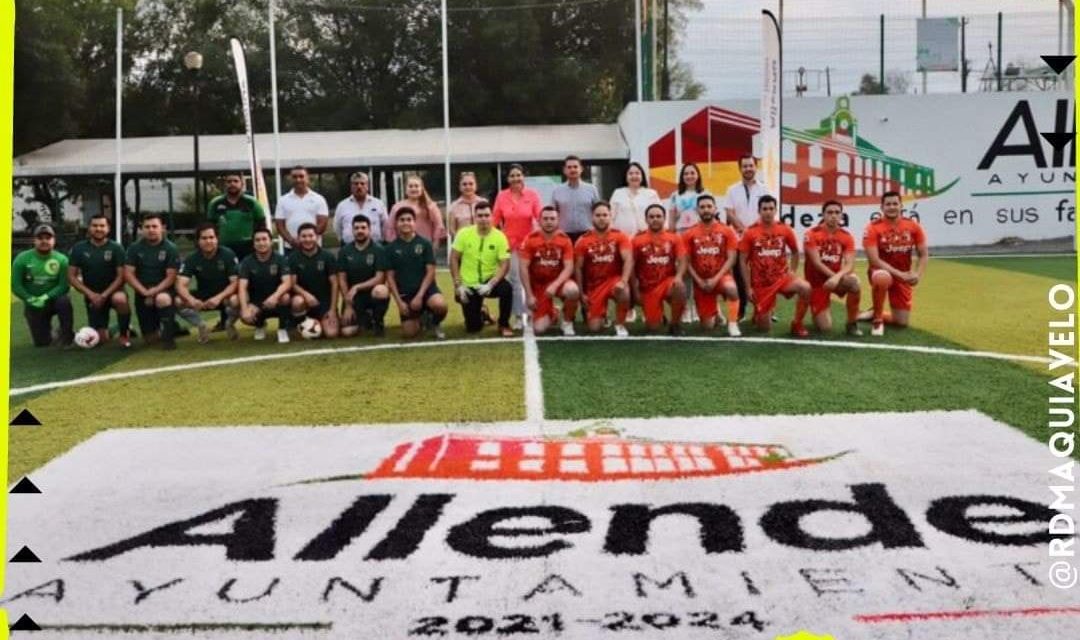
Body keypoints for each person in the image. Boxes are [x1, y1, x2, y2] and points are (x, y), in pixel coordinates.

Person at [737, 195, 810, 335]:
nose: (768, 211)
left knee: (805, 288)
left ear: (776, 210)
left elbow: (795, 252)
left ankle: (797, 324)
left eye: (771, 208)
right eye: (764, 209)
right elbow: (742, 261)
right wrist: (748, 288)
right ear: (759, 211)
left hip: (782, 278)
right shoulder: (750, 232)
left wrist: (792, 271)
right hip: (761, 283)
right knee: (764, 329)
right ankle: (759, 312)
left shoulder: (785, 229)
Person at [860, 191, 928, 336]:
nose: (892, 207)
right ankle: (877, 320)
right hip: (880, 272)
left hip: (903, 276)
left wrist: (917, 275)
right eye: (888, 204)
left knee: (901, 322)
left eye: (895, 204)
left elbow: (923, 254)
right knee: (882, 277)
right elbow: (874, 260)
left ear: (901, 206)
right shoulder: (872, 228)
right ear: (882, 207)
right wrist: (900, 275)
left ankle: (874, 312)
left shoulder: (913, 226)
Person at [451, 200, 514, 336]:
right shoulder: (464, 234)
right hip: (469, 284)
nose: (483, 219)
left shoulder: (500, 237)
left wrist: (491, 284)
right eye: (480, 216)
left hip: (489, 282)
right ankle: (482, 313)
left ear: (491, 216)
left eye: (486, 215)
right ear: (475, 217)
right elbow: (454, 258)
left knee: (506, 289)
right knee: (473, 328)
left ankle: (504, 324)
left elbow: (505, 264)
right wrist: (458, 285)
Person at [67, 213, 131, 346]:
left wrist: (104, 295)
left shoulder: (116, 248)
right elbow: (71, 276)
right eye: (95, 225)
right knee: (101, 340)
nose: (98, 229)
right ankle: (117, 328)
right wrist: (91, 295)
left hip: (113, 292)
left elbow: (121, 276)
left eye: (102, 226)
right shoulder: (79, 248)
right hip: (93, 296)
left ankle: (124, 334)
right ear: (89, 228)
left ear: (108, 228)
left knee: (120, 299)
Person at [682, 194, 741, 336]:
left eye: (709, 206)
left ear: (715, 209)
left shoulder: (727, 230)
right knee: (707, 327)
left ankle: (732, 324)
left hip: (721, 277)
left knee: (731, 288)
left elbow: (731, 258)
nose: (706, 210)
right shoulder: (689, 233)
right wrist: (699, 281)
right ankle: (716, 313)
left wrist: (715, 279)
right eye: (702, 207)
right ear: (697, 210)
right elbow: (686, 261)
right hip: (701, 281)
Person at [801, 200, 862, 336]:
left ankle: (852, 323)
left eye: (837, 213)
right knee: (825, 328)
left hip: (834, 280)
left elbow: (849, 264)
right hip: (816, 285)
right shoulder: (811, 234)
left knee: (855, 283)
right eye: (829, 212)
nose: (833, 216)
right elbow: (816, 263)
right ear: (823, 214)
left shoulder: (846, 237)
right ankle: (816, 309)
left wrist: (836, 277)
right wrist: (833, 277)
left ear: (841, 216)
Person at [386, 207, 448, 339]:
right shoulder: (390, 248)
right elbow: (390, 278)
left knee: (440, 305)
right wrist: (399, 302)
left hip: (426, 291)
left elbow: (430, 271)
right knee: (409, 333)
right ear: (396, 224)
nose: (405, 223)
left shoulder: (425, 243)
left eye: (409, 219)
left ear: (414, 223)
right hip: (406, 294)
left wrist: (420, 296)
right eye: (402, 220)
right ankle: (421, 317)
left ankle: (434, 322)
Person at [493, 163, 542, 326]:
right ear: (507, 179)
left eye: (518, 175)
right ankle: (519, 316)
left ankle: (534, 312)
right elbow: (494, 220)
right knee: (515, 281)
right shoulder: (501, 196)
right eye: (512, 176)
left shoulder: (532, 195)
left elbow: (540, 217)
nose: (515, 178)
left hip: (529, 244)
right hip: (510, 245)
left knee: (531, 280)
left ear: (523, 177)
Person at [574, 201, 633, 336]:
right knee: (594, 328)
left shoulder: (620, 236)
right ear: (592, 217)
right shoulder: (583, 240)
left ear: (610, 216)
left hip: (613, 280)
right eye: (598, 215)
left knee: (624, 291)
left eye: (605, 215)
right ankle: (603, 316)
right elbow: (578, 268)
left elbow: (628, 259)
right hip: (594, 285)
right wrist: (581, 293)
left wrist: (623, 281)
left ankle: (620, 324)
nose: (601, 218)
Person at [175, 223, 240, 344]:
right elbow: (180, 285)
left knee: (237, 300)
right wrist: (191, 300)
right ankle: (201, 325)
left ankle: (229, 323)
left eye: (211, 237)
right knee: (177, 301)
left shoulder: (228, 254)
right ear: (198, 241)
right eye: (204, 238)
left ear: (217, 239)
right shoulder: (192, 259)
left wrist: (218, 298)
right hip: (204, 296)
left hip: (224, 296)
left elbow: (235, 283)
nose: (208, 241)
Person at [519, 206, 579, 336]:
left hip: (558, 282)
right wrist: (529, 295)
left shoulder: (565, 239)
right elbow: (523, 267)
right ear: (539, 220)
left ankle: (567, 321)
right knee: (539, 329)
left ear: (558, 220)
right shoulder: (530, 239)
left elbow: (569, 267)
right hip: (539, 285)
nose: (549, 221)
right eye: (545, 218)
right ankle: (554, 313)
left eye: (552, 218)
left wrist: (555, 285)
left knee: (573, 290)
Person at [723, 154, 769, 320]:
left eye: (751, 166)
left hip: (759, 238)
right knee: (740, 275)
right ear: (740, 168)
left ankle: (763, 308)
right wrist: (743, 229)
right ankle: (741, 309)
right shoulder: (731, 189)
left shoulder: (764, 189)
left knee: (760, 273)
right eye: (745, 166)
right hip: (738, 238)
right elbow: (729, 212)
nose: (748, 169)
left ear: (756, 167)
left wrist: (753, 231)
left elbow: (766, 211)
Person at [124, 213, 181, 349]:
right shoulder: (134, 248)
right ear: (142, 229)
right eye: (147, 227)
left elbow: (171, 277)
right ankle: (175, 328)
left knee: (162, 299)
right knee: (151, 340)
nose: (151, 230)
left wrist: (154, 292)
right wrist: (144, 292)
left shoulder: (170, 248)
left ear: (162, 228)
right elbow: (128, 274)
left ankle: (169, 338)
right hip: (142, 293)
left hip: (164, 291)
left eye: (154, 226)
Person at [13, 223, 73, 347]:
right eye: (40, 238)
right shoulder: (22, 259)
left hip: (54, 301)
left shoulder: (62, 260)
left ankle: (66, 334)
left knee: (64, 301)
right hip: (33, 304)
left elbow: (64, 286)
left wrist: (45, 297)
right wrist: (30, 298)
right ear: (34, 240)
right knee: (42, 343)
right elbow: (16, 285)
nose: (44, 241)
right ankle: (53, 334)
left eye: (48, 238)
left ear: (54, 240)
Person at [632, 204, 688, 335]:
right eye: (651, 217)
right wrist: (635, 290)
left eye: (658, 216)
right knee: (653, 328)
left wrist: (679, 277)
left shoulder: (674, 238)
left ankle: (675, 324)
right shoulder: (637, 240)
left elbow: (683, 260)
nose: (655, 219)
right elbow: (631, 266)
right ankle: (659, 316)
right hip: (648, 287)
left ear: (664, 218)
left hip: (667, 282)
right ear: (646, 219)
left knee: (679, 287)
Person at [337, 214, 391, 337]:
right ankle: (365, 319)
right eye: (356, 228)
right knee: (347, 332)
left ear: (369, 229)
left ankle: (378, 322)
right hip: (353, 297)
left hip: (372, 293)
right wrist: (348, 305)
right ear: (352, 230)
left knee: (381, 290)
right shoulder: (344, 251)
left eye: (363, 227)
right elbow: (342, 279)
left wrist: (357, 287)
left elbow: (380, 278)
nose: (360, 231)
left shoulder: (379, 250)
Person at [238, 227, 292, 343]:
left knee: (286, 297)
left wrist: (275, 296)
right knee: (244, 316)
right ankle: (260, 325)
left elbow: (287, 282)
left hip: (276, 300)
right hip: (257, 302)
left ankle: (282, 329)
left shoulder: (280, 259)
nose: (261, 243)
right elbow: (242, 287)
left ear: (270, 241)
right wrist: (244, 309)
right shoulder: (247, 262)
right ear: (253, 244)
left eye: (264, 239)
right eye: (257, 240)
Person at [288, 223, 339, 338]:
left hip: (324, 303)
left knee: (332, 334)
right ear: (298, 238)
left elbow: (335, 284)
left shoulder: (328, 257)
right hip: (305, 302)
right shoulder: (293, 258)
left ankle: (318, 323)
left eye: (311, 236)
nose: (307, 239)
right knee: (297, 301)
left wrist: (332, 310)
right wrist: (307, 295)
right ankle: (300, 324)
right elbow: (293, 283)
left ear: (317, 237)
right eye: (304, 236)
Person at [207, 173, 265, 261]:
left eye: (235, 181)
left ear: (242, 184)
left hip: (248, 248)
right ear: (224, 184)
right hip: (223, 247)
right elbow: (209, 227)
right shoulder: (215, 203)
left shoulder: (252, 203)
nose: (232, 184)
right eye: (229, 182)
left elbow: (261, 226)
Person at [274, 165, 329, 251]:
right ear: (291, 179)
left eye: (301, 176)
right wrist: (292, 241)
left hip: (314, 246)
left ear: (307, 178)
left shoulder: (319, 199)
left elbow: (323, 223)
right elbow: (280, 226)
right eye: (294, 177)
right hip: (291, 247)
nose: (298, 180)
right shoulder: (282, 200)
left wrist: (308, 240)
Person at [387, 175, 446, 250]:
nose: (413, 189)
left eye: (416, 186)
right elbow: (390, 227)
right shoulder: (397, 207)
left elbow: (438, 225)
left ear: (422, 189)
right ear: (405, 189)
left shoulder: (431, 206)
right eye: (410, 186)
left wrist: (435, 242)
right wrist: (394, 246)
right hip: (402, 246)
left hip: (425, 245)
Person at [551, 155, 600, 245]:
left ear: (581, 169)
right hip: (564, 236)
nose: (572, 170)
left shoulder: (592, 189)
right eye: (569, 167)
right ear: (564, 170)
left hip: (587, 234)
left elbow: (598, 212)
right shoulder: (557, 191)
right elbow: (552, 214)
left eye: (575, 167)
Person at [334, 171, 389, 246]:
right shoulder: (342, 206)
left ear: (367, 186)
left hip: (375, 247)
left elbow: (385, 225)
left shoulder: (378, 204)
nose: (359, 186)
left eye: (362, 183)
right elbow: (337, 228)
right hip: (349, 247)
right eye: (356, 184)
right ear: (351, 186)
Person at [609, 161, 661, 236]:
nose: (634, 176)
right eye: (630, 173)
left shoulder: (651, 194)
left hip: (646, 237)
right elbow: (611, 216)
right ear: (626, 176)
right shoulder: (618, 193)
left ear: (642, 176)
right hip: (622, 237)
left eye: (637, 173)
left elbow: (659, 215)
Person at [668, 162, 710, 233]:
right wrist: (671, 234)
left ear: (698, 175)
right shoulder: (675, 195)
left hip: (700, 232)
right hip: (681, 233)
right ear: (682, 177)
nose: (689, 176)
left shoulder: (705, 194)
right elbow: (671, 219)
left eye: (692, 173)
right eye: (686, 174)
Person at [448, 171, 483, 236]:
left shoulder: (483, 202)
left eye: (471, 184)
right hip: (462, 243)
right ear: (459, 187)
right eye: (464, 184)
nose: (468, 187)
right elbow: (451, 230)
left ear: (476, 185)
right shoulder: (454, 206)